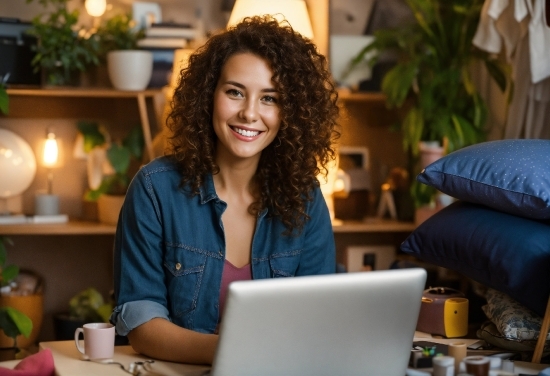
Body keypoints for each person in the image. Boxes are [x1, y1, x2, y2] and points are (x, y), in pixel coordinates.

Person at [110, 15, 340, 365]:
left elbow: (320, 316)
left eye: (270, 98)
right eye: (235, 92)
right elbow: (141, 323)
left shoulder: (305, 198)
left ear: (291, 112)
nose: (249, 113)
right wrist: (233, 353)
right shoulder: (155, 189)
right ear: (208, 95)